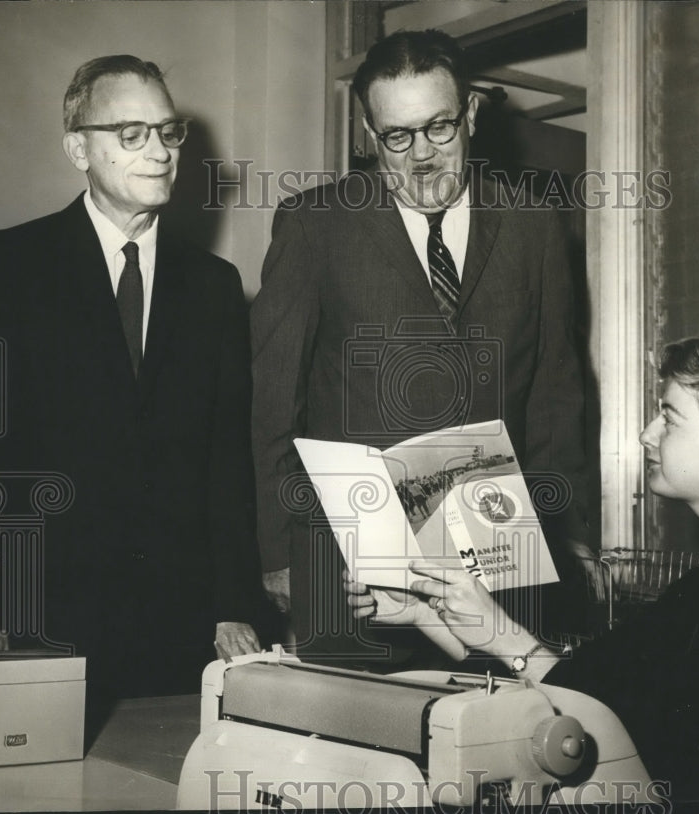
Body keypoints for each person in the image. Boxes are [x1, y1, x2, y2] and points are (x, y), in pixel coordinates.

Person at [346, 331, 699, 800]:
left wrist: (501, 634)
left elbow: (638, 724)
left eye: (669, 418)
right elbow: (592, 681)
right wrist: (429, 615)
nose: (646, 434)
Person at [251, 29, 587, 662]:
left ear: (473, 114)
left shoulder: (534, 225)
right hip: (351, 571)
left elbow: (555, 395)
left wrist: (574, 537)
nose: (423, 156)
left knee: (496, 743)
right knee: (362, 744)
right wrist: (280, 556)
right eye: (397, 137)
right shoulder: (315, 225)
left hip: (499, 561)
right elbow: (274, 402)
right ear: (368, 135)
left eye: (440, 128)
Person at [0, 55, 261, 700]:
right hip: (41, 621)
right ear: (78, 149)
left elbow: (227, 461)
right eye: (130, 134)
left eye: (168, 132)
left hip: (179, 626)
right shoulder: (3, 265)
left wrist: (233, 604)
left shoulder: (214, 287)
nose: (161, 151)